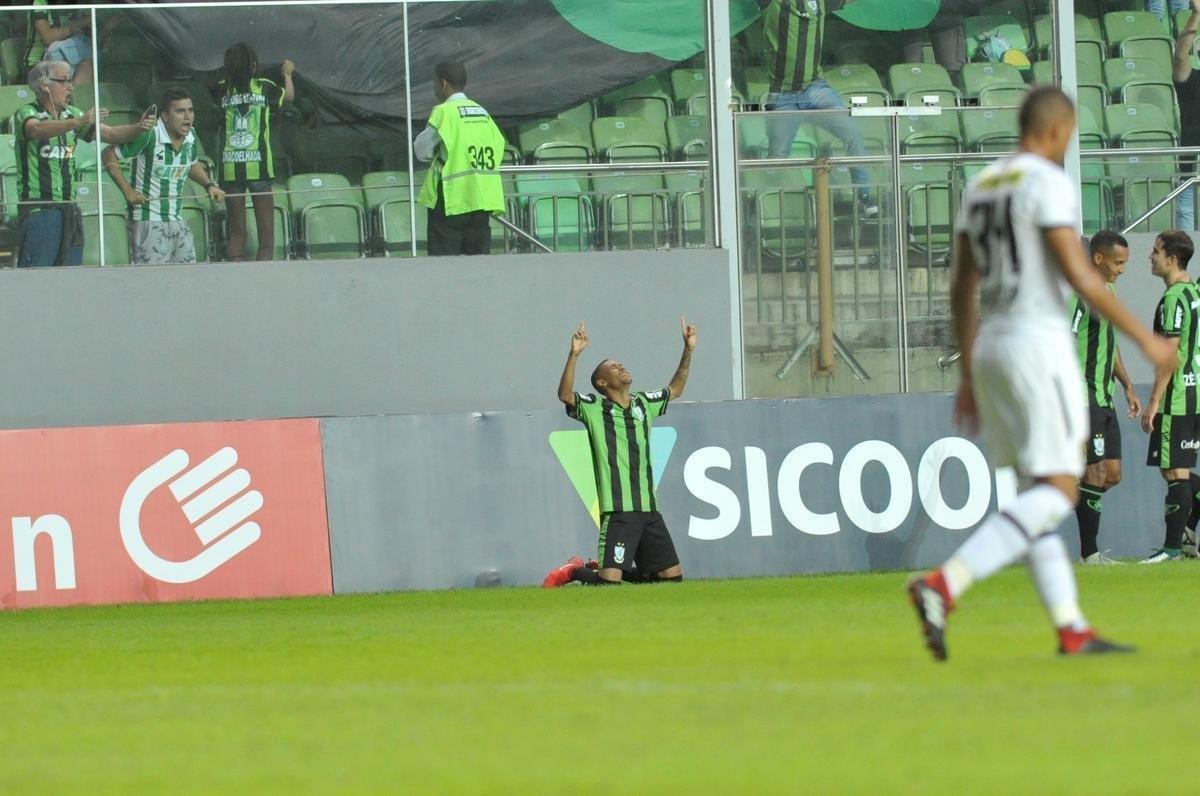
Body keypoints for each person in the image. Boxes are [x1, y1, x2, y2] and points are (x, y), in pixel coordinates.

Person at [907, 86, 1175, 660]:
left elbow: (961, 285)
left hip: (993, 346)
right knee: (1057, 491)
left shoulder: (981, 186)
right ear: (1057, 130)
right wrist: (1147, 340)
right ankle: (944, 584)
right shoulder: (1047, 181)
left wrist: (967, 376)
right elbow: (1081, 277)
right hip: (1038, 343)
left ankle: (1070, 627)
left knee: (1034, 493)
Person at [543, 319, 697, 587]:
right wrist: (574, 354)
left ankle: (600, 567)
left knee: (671, 580)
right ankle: (574, 572)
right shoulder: (594, 408)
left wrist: (688, 350)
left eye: (621, 364)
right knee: (608, 585)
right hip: (618, 510)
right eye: (614, 367)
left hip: (649, 507)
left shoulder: (644, 402)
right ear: (603, 382)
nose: (622, 367)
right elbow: (565, 395)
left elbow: (676, 388)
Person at [14, 60, 151, 268]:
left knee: (71, 275)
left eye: (70, 81)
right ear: (44, 86)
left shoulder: (72, 114)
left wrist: (139, 127)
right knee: (37, 276)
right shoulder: (27, 113)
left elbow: (112, 134)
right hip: (39, 209)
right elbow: (35, 130)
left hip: (69, 208)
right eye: (64, 81)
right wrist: (78, 123)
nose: (70, 87)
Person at [758, 0, 877, 217]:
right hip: (783, 94)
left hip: (816, 87)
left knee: (852, 134)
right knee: (776, 159)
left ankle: (863, 195)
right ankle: (764, 209)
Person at [1069, 230, 1142, 565]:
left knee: (1112, 474)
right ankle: (1090, 554)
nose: (1122, 269)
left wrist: (1126, 384)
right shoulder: (1079, 295)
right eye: (1118, 263)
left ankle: (1068, 496)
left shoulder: (1108, 292)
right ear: (1098, 259)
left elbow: (1109, 346)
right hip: (1083, 397)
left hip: (1105, 394)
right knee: (1096, 474)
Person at [101, 87, 226, 266]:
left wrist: (209, 184)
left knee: (189, 279)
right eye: (180, 111)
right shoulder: (150, 135)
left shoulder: (190, 136)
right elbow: (108, 154)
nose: (187, 117)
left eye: (190, 110)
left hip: (177, 219)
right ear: (165, 116)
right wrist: (128, 191)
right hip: (148, 221)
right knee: (152, 282)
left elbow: (191, 163)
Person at [1138, 230, 1200, 561]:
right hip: (1197, 394)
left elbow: (1170, 355)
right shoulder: (1194, 293)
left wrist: (1153, 402)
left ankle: (1172, 549)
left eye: (1156, 251)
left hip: (1177, 397)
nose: (1151, 256)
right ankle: (1186, 540)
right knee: (1177, 470)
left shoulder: (1175, 299)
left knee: (1174, 472)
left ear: (1171, 259)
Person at [414, 60, 507, 255]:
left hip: (452, 198)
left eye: (434, 84)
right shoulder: (483, 113)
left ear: (443, 83)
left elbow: (420, 150)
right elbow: (499, 146)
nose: (435, 89)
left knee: (445, 268)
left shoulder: (445, 113)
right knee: (478, 265)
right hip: (482, 197)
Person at [217, 43, 295, 262]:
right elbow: (288, 97)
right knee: (267, 233)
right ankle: (262, 279)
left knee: (237, 231)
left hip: (231, 165)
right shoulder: (265, 86)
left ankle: (235, 273)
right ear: (253, 65)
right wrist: (287, 74)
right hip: (258, 164)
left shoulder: (221, 89)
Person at [1172, 1, 1200, 231]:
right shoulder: (1192, 80)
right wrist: (1196, 15)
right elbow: (1180, 55)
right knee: (1185, 249)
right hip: (1191, 178)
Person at [26, 0, 94, 86]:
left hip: (73, 60)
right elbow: (47, 38)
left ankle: (75, 98)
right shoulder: (40, 3)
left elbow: (91, 36)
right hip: (39, 63)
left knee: (88, 64)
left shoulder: (77, 4)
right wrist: (82, 22)